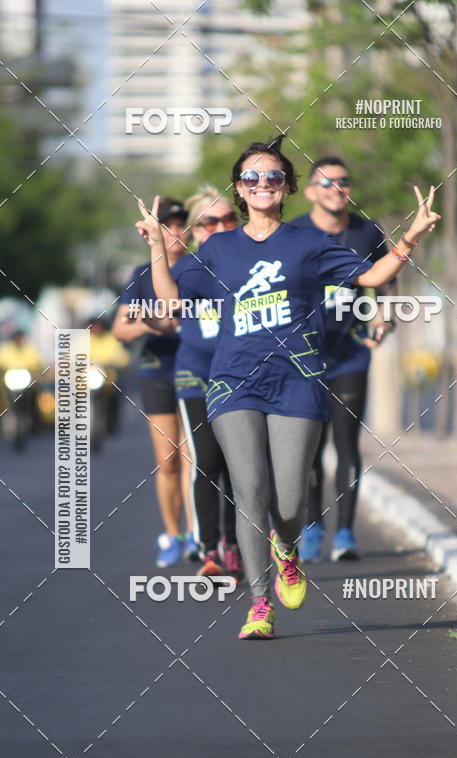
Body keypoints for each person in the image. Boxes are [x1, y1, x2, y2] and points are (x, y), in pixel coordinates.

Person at [136, 135, 440, 640]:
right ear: (239, 188)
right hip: (233, 383)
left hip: (298, 379)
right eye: (251, 177)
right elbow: (169, 301)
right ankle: (258, 604)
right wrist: (155, 249)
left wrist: (411, 237)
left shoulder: (310, 243)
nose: (261, 184)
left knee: (292, 499)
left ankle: (288, 549)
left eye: (272, 176)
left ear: (286, 187)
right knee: (250, 491)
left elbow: (373, 275)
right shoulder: (218, 247)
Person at [290, 156, 396, 562]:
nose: (336, 189)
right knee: (310, 448)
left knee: (348, 445)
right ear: (313, 190)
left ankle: (346, 534)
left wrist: (384, 319)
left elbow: (386, 280)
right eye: (327, 182)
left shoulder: (367, 232)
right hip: (303, 356)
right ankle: (313, 527)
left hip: (350, 354)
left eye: (343, 182)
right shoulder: (295, 231)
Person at [113, 197, 198, 567]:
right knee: (168, 461)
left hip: (196, 370)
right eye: (167, 225)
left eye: (181, 225)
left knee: (195, 458)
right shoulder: (141, 274)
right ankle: (173, 535)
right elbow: (120, 327)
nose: (175, 232)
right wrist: (149, 320)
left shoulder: (200, 269)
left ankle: (199, 534)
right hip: (157, 371)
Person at [174, 187, 243, 581]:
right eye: (210, 221)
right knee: (208, 461)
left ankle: (234, 543)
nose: (220, 227)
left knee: (239, 463)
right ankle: (209, 548)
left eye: (228, 219)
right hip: (195, 376)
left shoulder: (248, 261)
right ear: (195, 230)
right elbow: (161, 302)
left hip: (238, 376)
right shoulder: (186, 268)